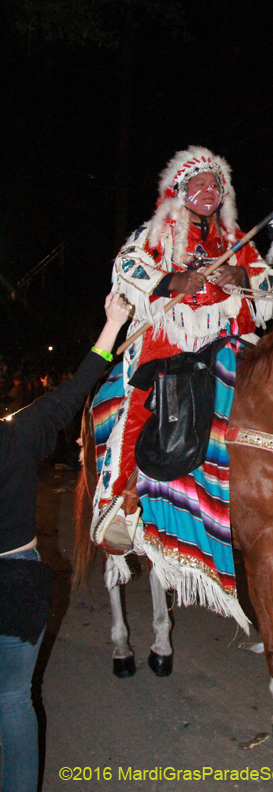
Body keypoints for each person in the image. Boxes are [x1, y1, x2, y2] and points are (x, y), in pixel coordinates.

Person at [91, 145, 273, 609]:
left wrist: (241, 277)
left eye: (217, 185)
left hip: (226, 333)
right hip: (170, 335)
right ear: (180, 190)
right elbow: (126, 267)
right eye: (200, 184)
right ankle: (120, 502)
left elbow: (267, 280)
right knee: (138, 402)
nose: (210, 190)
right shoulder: (157, 230)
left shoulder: (235, 239)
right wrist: (170, 282)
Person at [0, 293, 130, 792]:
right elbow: (78, 389)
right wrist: (113, 323)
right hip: (17, 581)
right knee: (13, 700)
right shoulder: (18, 434)